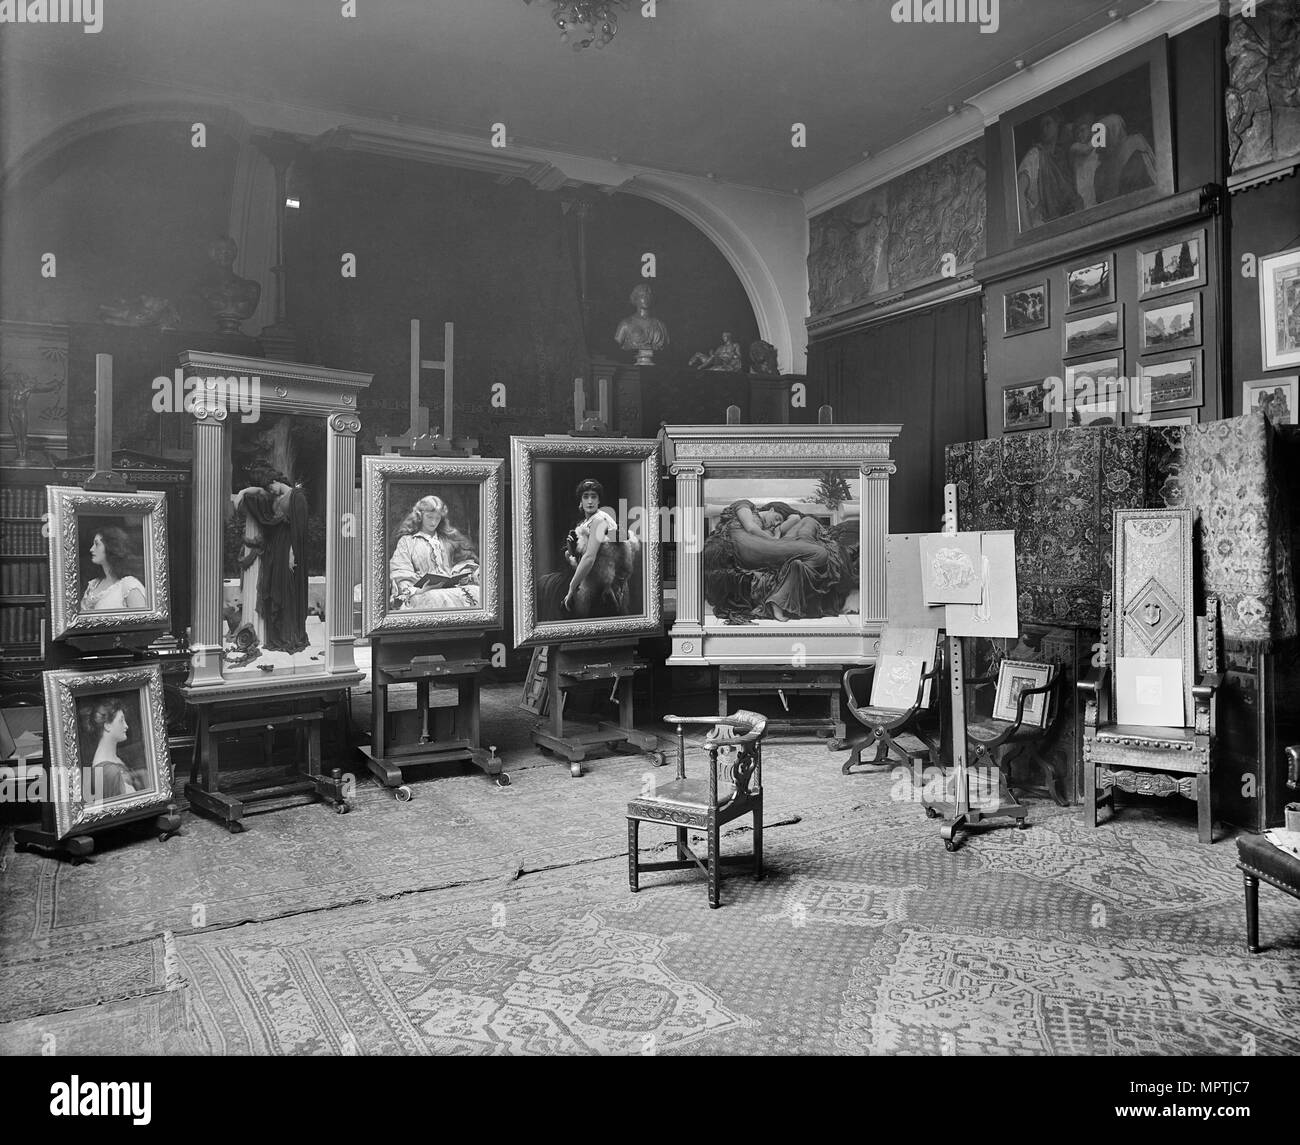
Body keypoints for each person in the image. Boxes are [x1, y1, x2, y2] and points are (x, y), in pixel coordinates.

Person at [704, 500, 854, 623]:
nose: (775, 523)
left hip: (761, 546)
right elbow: (750, 528)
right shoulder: (745, 505)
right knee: (819, 553)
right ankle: (780, 597)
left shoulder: (767, 529)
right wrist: (774, 539)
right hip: (748, 547)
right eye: (776, 518)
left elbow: (791, 520)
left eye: (778, 522)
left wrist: (786, 525)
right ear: (771, 509)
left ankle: (782, 594)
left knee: (808, 523)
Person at [230, 460, 310, 657]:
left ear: (276, 481)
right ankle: (277, 634)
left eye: (270, 486)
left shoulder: (297, 496)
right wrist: (242, 493)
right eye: (267, 488)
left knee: (286, 591)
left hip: (288, 549)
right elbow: (257, 491)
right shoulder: (276, 493)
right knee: (275, 587)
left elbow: (299, 531)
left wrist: (293, 553)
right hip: (275, 549)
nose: (270, 491)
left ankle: (289, 635)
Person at [537, 479, 639, 620]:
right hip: (587, 575)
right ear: (580, 501)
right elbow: (582, 556)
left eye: (594, 496)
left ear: (599, 501)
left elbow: (590, 558)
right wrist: (571, 550)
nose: (590, 501)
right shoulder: (586, 523)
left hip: (600, 584)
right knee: (545, 584)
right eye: (586, 496)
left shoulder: (599, 520)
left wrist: (572, 588)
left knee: (552, 588)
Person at [389, 495, 481, 610]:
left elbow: (463, 561)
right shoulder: (407, 541)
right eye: (429, 517)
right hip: (423, 591)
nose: (433, 522)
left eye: (437, 518)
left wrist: (462, 574)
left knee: (478, 592)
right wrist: (417, 589)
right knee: (433, 597)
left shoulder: (447, 539)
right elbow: (400, 571)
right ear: (420, 516)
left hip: (451, 588)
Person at [1016, 111, 1082, 229]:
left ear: (1057, 124)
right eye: (1042, 127)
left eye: (1048, 124)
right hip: (1040, 225)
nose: (1044, 130)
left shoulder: (1061, 157)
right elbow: (1018, 191)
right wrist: (1027, 230)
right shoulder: (1035, 155)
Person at [81, 698, 143, 802]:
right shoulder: (108, 771)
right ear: (107, 726)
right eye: (121, 721)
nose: (126, 726)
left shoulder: (114, 759)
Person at [1093, 113, 1157, 203]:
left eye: (1103, 135)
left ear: (1114, 131)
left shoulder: (1134, 150)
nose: (1099, 141)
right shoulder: (1102, 166)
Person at [81, 526, 147, 611]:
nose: (91, 549)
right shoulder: (93, 585)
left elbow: (142, 621)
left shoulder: (129, 585)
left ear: (111, 547)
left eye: (97, 544)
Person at [614, 284, 670, 365]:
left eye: (648, 295)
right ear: (635, 299)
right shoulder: (626, 323)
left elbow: (666, 344)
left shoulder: (660, 325)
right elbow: (617, 343)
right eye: (642, 295)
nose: (646, 298)